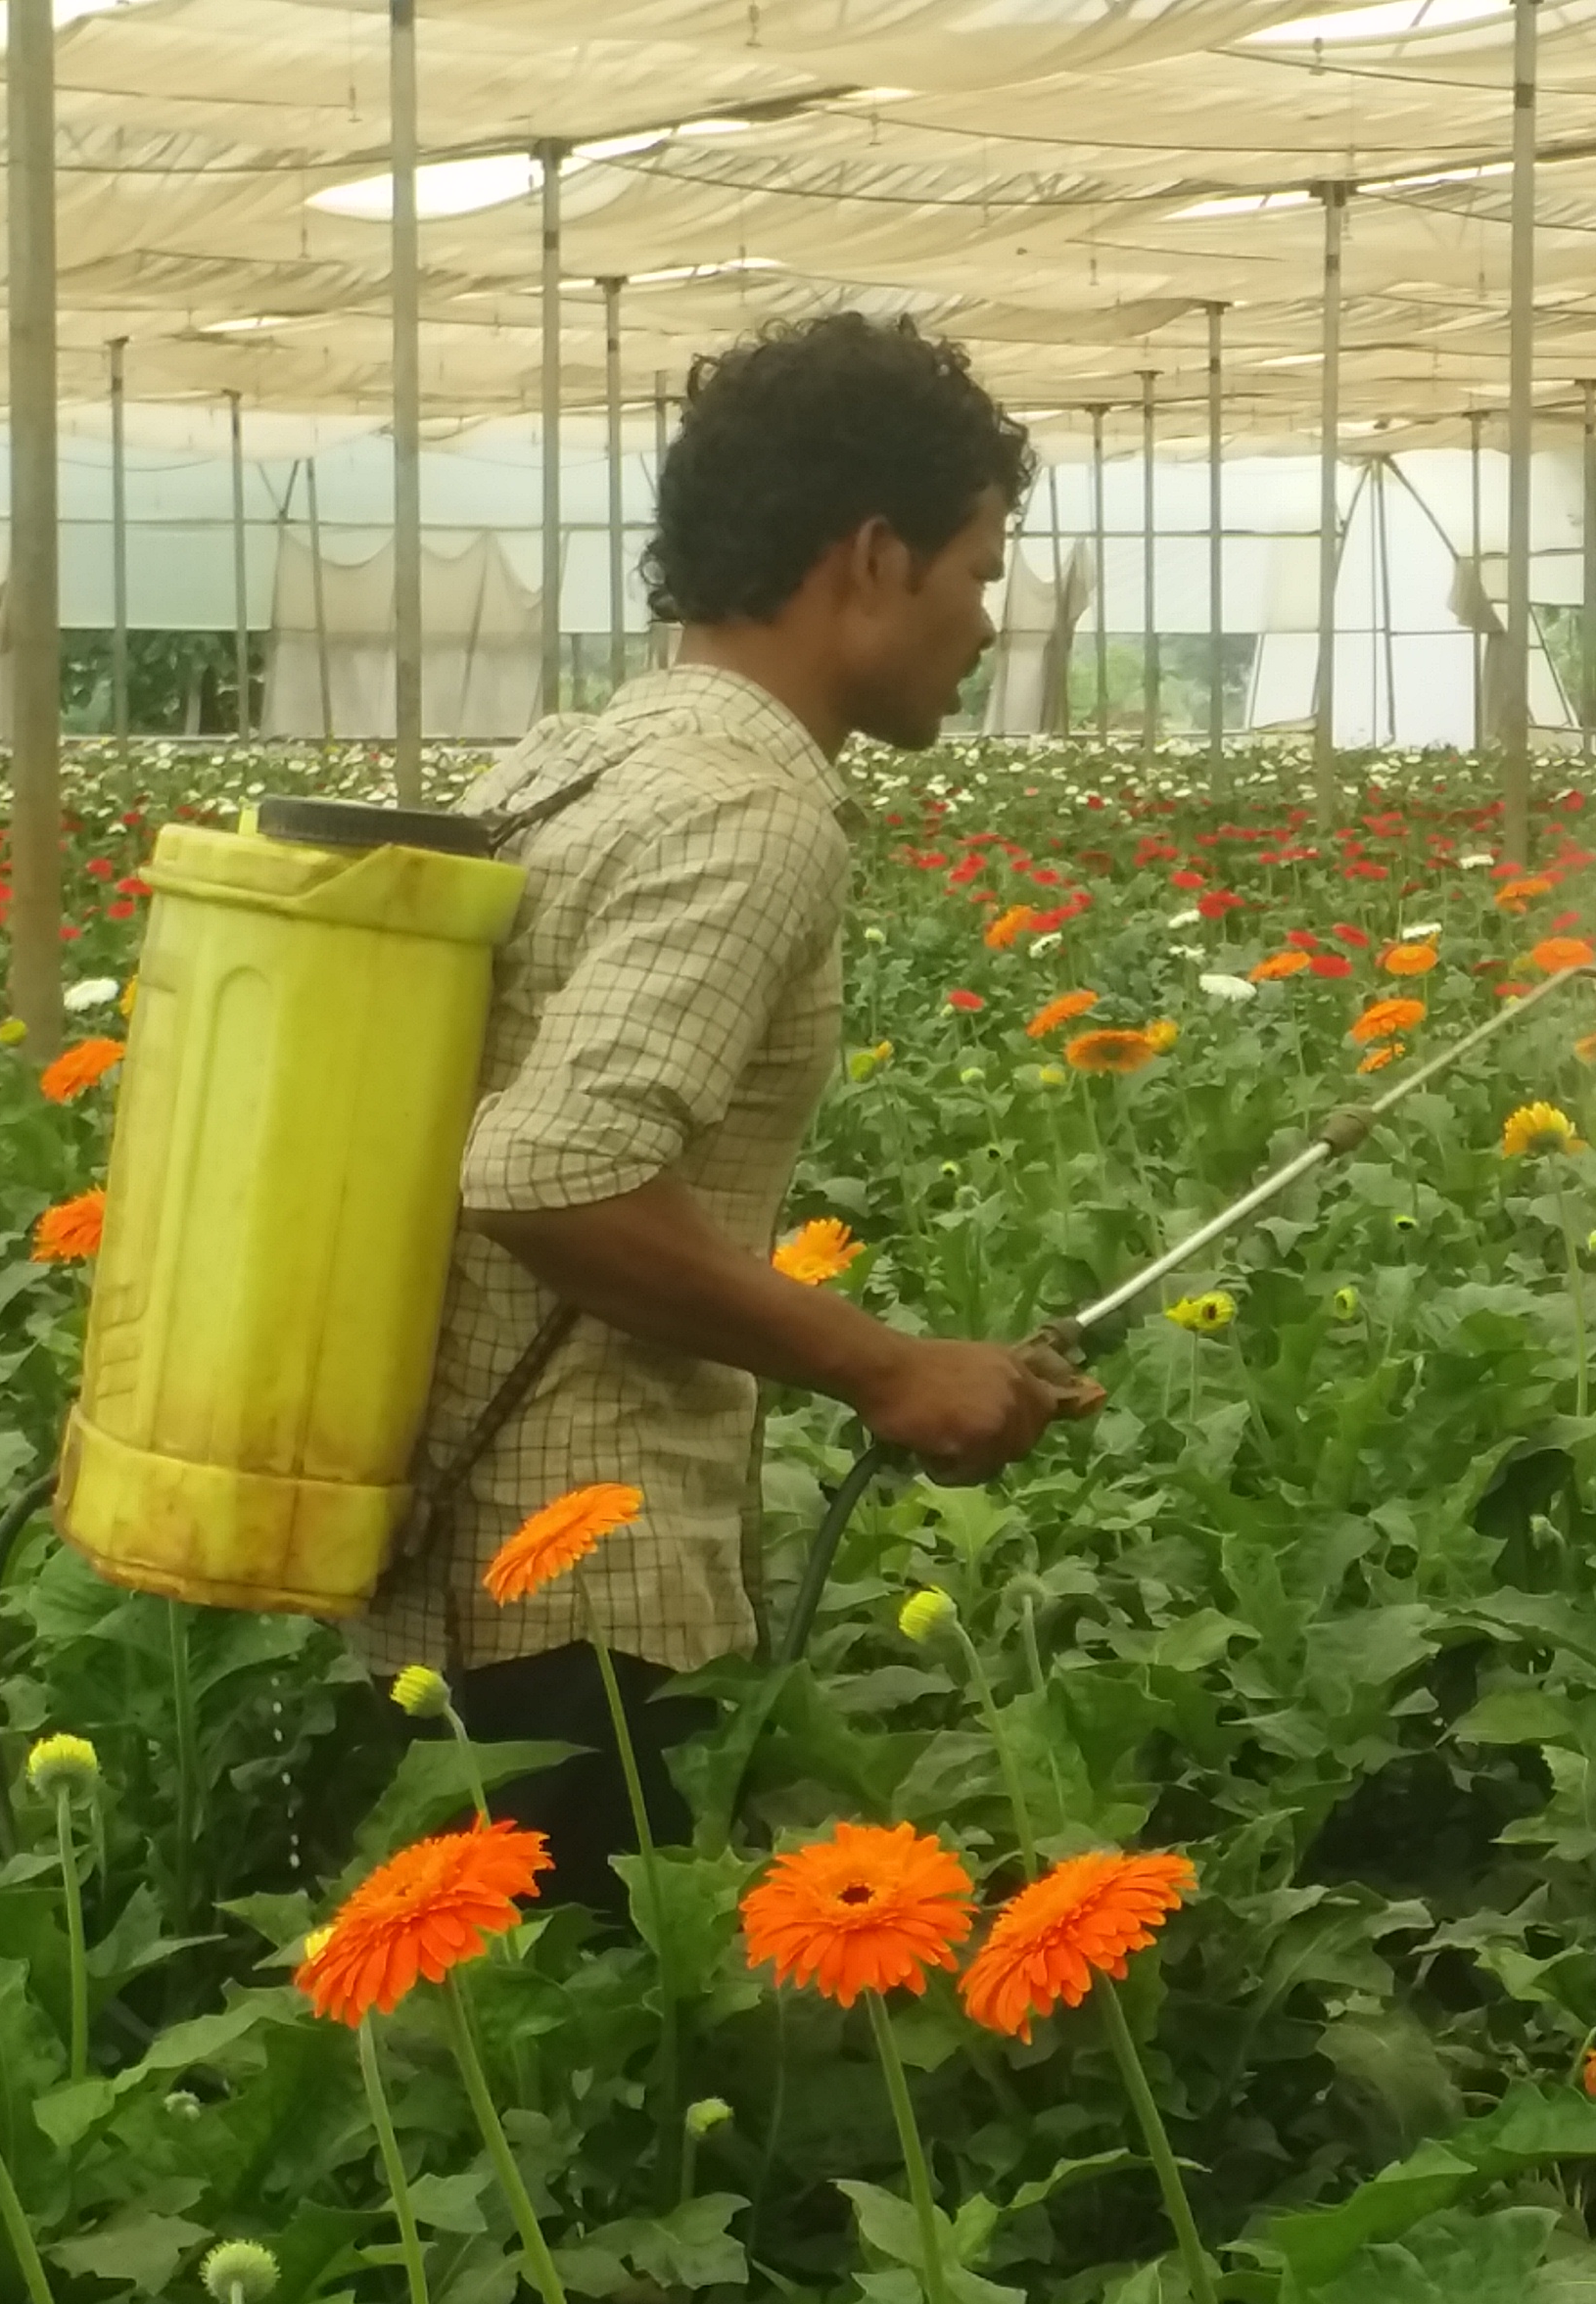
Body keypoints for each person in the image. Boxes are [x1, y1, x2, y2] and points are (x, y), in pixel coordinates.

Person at [346, 311, 1100, 1911]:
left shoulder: (571, 764)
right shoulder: (750, 813)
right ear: (875, 557)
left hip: (418, 1570)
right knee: (596, 2081)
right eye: (976, 570)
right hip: (574, 1594)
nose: (985, 622)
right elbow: (553, 1170)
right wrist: (890, 1370)